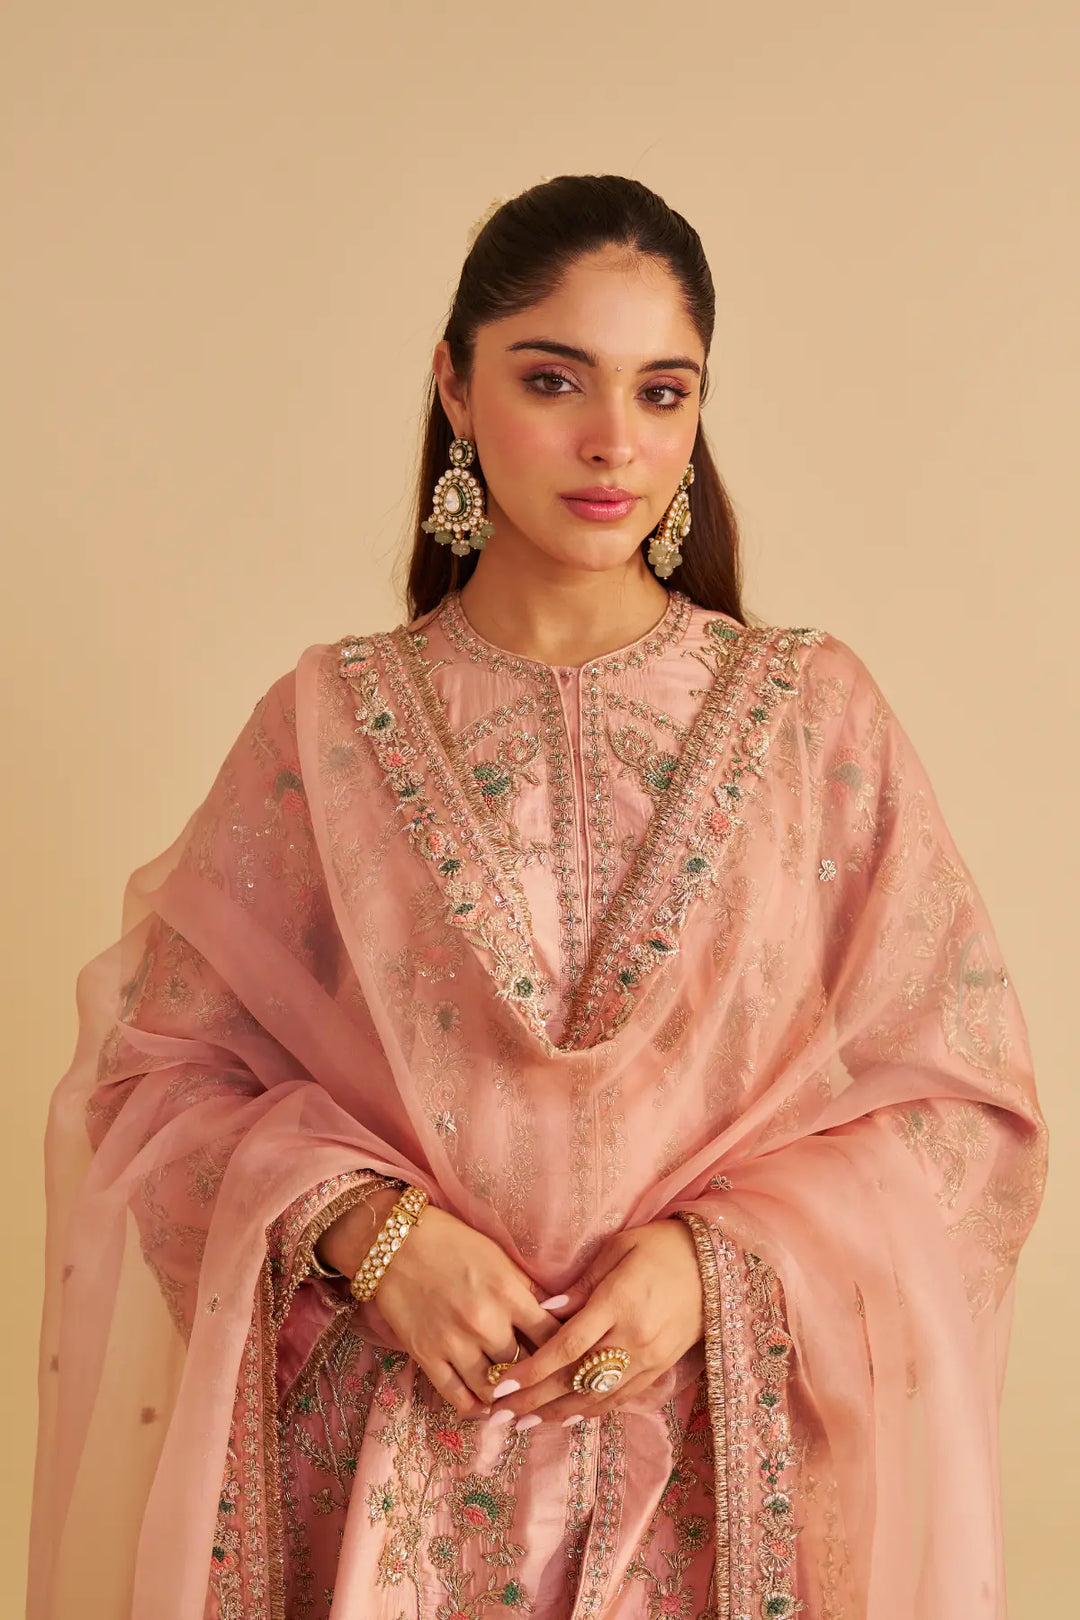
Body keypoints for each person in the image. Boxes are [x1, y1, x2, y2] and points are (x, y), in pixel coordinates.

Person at [29, 174, 1047, 1620]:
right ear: (455, 385)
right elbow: (156, 1085)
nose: (613, 440)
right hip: (390, 1495)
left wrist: (715, 1267)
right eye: (554, 379)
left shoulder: (813, 718)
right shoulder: (328, 725)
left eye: (662, 391)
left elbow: (966, 1111)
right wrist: (369, 1235)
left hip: (721, 1486)